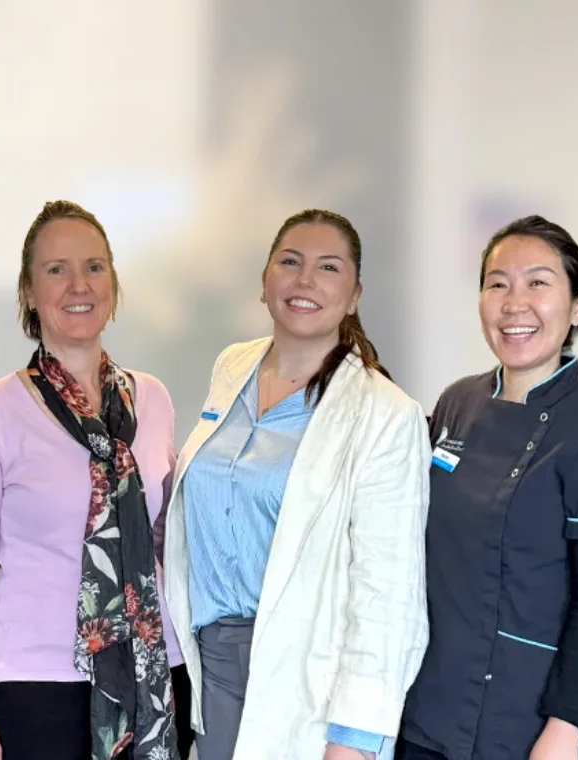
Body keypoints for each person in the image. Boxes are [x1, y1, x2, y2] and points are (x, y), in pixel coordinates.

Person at [163, 209, 430, 760]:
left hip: (308, 683)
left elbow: (389, 595)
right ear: (264, 281)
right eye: (290, 261)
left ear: (354, 295)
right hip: (213, 671)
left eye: (328, 267)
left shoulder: (386, 414)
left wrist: (353, 740)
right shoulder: (232, 366)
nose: (305, 280)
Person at [0, 200, 194, 760]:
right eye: (56, 269)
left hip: (153, 674)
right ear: (29, 292)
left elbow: (162, 542)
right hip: (34, 684)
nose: (78, 284)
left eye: (94, 266)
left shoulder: (152, 399)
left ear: (113, 282)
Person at [398, 215, 578, 760]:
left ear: (577, 306)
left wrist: (566, 728)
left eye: (538, 282)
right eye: (497, 283)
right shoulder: (458, 403)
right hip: (426, 706)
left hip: (529, 722)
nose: (515, 303)